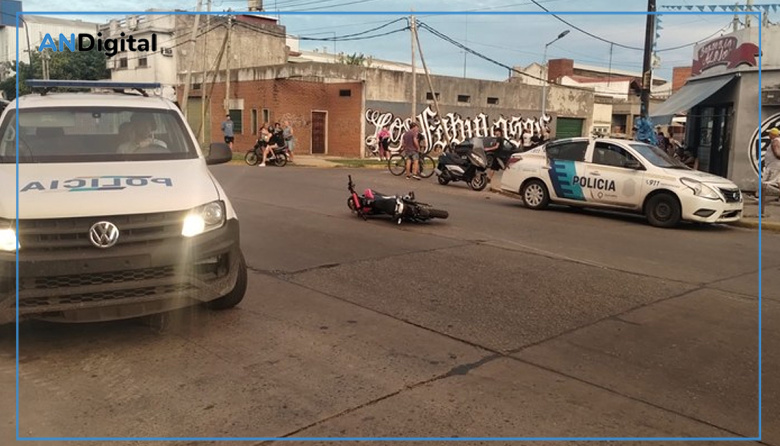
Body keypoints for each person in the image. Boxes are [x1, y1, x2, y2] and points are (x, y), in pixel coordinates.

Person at [761, 128, 780, 216]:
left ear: (773, 134)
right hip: (775, 166)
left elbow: (777, 153)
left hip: (773, 166)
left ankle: (761, 210)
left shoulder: (775, 141)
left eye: (770, 134)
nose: (769, 135)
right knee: (778, 183)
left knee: (765, 185)